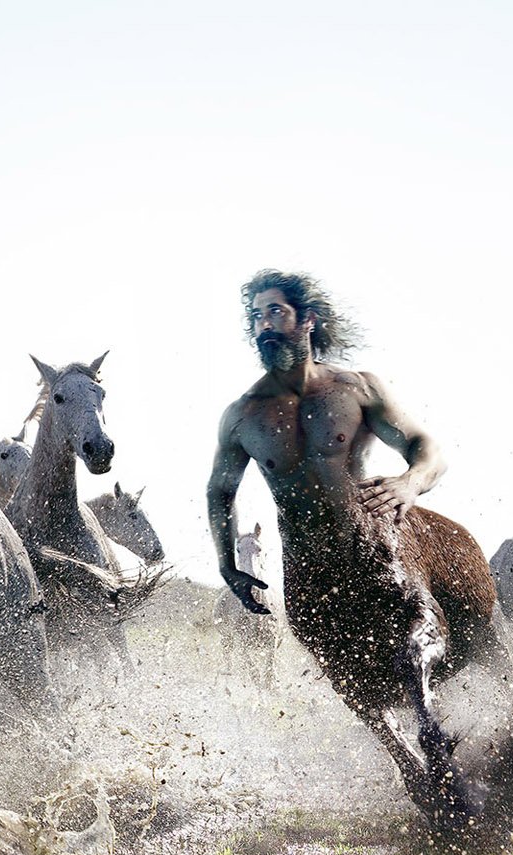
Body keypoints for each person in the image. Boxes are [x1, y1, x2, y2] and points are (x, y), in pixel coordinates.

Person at [206, 269, 497, 821]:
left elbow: (425, 445)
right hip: (307, 573)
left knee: (415, 642)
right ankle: (407, 763)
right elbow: (220, 491)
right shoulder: (243, 415)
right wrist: (227, 564)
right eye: (256, 317)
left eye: (276, 313)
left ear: (307, 319)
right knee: (351, 683)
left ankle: (431, 731)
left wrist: (410, 482)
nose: (264, 326)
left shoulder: (356, 389)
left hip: (375, 544)